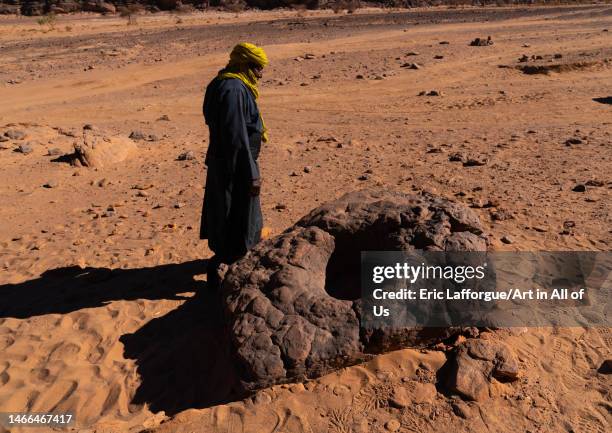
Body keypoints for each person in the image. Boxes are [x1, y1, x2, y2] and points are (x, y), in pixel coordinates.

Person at [200, 42, 269, 289]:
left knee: (232, 214)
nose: (260, 73)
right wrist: (250, 173)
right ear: (244, 64)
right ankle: (229, 270)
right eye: (257, 67)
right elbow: (235, 135)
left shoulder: (224, 82)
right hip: (235, 164)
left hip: (230, 161)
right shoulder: (233, 89)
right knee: (237, 217)